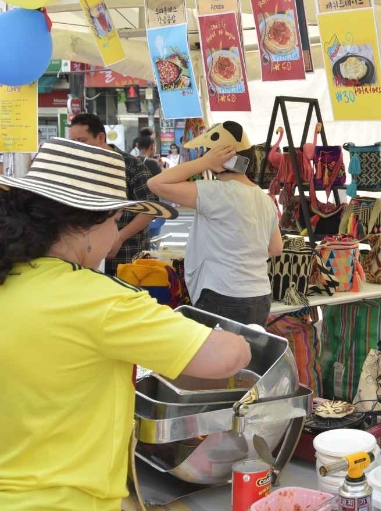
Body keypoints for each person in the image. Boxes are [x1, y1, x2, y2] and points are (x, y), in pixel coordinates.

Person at [0, 138, 252, 511]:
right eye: (117, 221)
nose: (116, 233)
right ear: (84, 226)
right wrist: (245, 338)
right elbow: (226, 358)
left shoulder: (12, 277)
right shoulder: (98, 299)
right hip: (65, 501)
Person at [148, 121, 283, 325]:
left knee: (218, 357)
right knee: (247, 357)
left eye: (209, 153)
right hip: (260, 297)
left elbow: (156, 183)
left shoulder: (216, 193)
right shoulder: (265, 199)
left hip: (222, 295)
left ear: (221, 159)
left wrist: (203, 163)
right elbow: (275, 248)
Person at [69, 114, 156, 275]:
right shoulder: (77, 168)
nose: (76, 148)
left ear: (101, 137)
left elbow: (150, 208)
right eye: (72, 143)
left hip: (127, 255)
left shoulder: (131, 166)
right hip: (84, 258)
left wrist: (120, 237)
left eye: (81, 141)